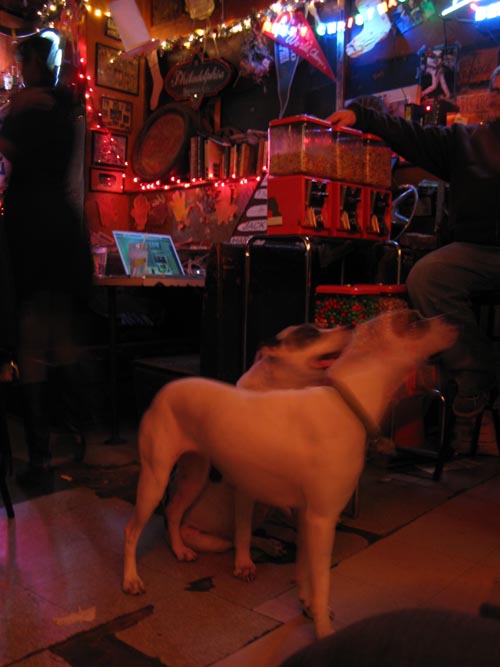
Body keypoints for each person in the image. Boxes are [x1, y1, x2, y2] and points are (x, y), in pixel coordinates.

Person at [327, 66, 500, 424]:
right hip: (479, 250)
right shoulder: (468, 141)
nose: (498, 97)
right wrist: (361, 115)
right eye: (496, 89)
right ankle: (477, 372)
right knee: (428, 275)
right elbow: (412, 135)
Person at [0, 34, 93, 486]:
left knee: (33, 346)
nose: (21, 72)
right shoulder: (67, 107)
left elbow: (8, 151)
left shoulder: (24, 111)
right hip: (64, 233)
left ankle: (40, 456)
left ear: (35, 63)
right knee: (66, 341)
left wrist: (9, 110)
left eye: (23, 64)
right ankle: (78, 436)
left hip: (31, 233)